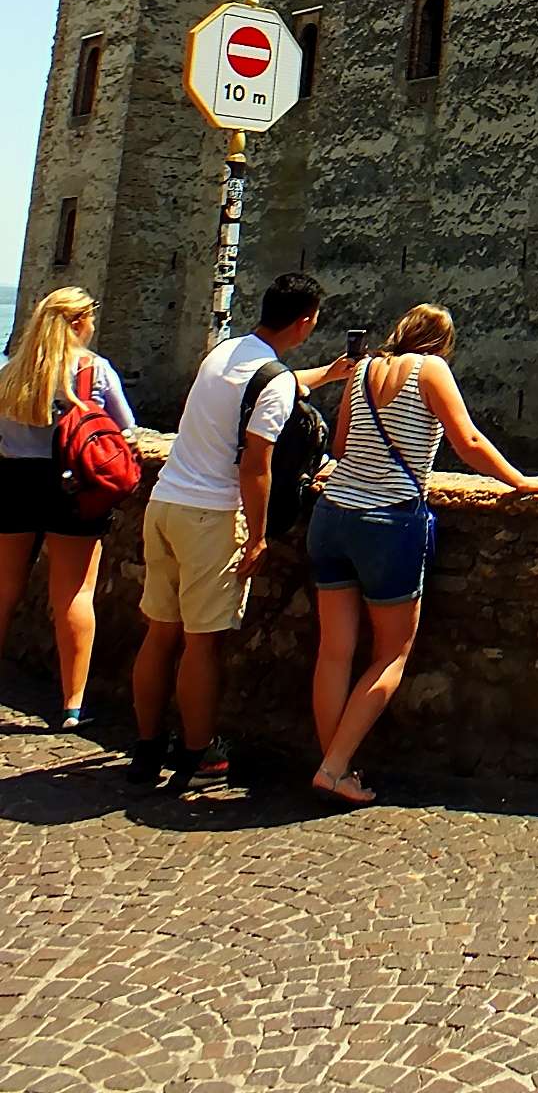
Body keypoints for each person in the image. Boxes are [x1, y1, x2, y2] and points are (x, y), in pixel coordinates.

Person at [306, 303, 538, 806]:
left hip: (332, 516)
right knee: (391, 653)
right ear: (440, 342)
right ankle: (335, 768)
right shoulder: (431, 368)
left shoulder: (361, 370)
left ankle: (332, 760)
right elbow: (466, 440)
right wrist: (521, 481)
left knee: (334, 650)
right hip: (387, 522)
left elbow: (340, 445)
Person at [129, 271, 351, 791]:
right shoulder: (271, 382)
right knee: (201, 645)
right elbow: (256, 465)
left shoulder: (224, 353)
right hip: (210, 515)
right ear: (304, 321)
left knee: (160, 634)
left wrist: (329, 374)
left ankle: (145, 749)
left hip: (165, 502)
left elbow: (276, 384)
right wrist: (257, 537)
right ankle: (197, 754)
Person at [0, 287, 137, 728]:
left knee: (3, 590)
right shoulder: (93, 371)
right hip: (73, 486)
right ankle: (72, 705)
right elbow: (126, 430)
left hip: (15, 483)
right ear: (79, 322)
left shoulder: (12, 373)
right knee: (73, 596)